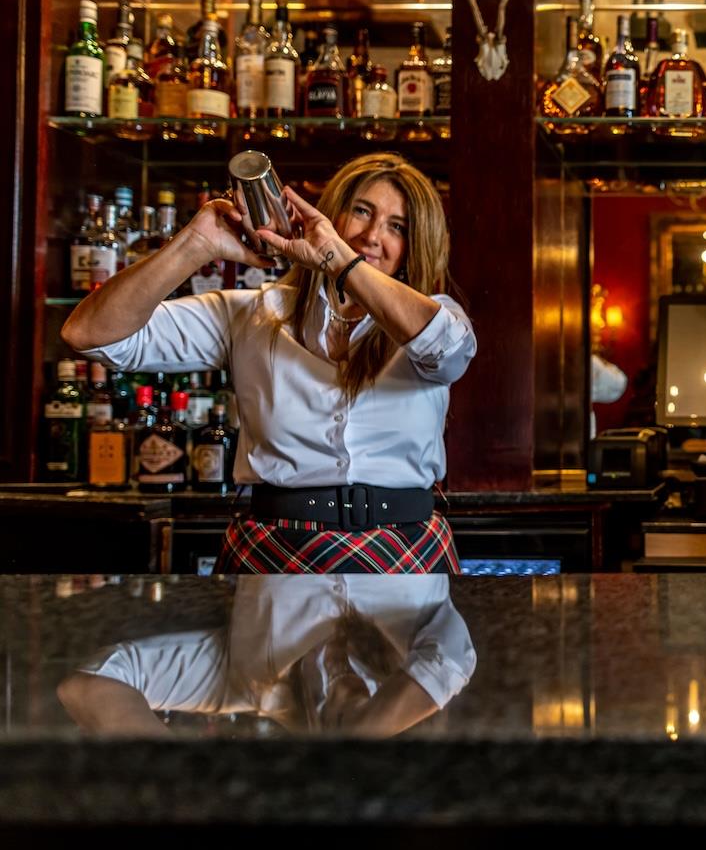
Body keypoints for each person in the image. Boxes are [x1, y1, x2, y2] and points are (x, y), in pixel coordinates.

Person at [61, 153, 477, 573]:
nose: (371, 236)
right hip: (278, 548)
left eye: (397, 227)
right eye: (362, 211)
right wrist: (196, 244)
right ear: (330, 216)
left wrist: (338, 261)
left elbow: (445, 348)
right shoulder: (249, 313)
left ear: (413, 246)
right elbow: (91, 335)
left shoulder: (434, 318)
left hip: (405, 548)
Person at [56, 575, 476, 736]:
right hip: (399, 518)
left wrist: (188, 782)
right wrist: (363, 729)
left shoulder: (247, 681)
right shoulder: (414, 673)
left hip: (280, 513)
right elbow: (454, 656)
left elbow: (85, 685)